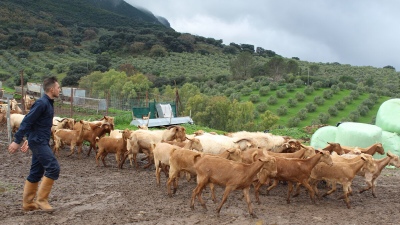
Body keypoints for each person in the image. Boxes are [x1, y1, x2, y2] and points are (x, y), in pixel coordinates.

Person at [8, 76, 61, 212]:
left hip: (39, 140)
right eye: (58, 87)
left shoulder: (48, 103)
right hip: (38, 141)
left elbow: (37, 124)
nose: (59, 90)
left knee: (37, 172)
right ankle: (41, 200)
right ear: (51, 89)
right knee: (53, 167)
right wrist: (16, 141)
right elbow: (27, 121)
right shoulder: (42, 103)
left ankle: (28, 203)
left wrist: (28, 139)